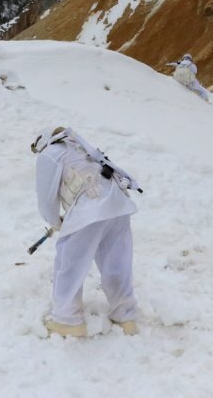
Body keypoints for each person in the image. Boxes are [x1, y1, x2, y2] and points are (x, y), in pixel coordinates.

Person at [31, 127, 140, 337]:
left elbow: (46, 199)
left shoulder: (49, 154)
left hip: (90, 209)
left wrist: (55, 221)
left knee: (69, 262)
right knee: (116, 262)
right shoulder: (79, 147)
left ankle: (67, 319)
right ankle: (125, 315)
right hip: (117, 204)